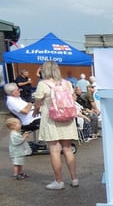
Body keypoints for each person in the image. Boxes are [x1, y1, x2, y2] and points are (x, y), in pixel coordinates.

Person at [32, 61, 79, 190]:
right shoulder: (67, 83)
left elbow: (37, 102)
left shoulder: (43, 84)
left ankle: (59, 181)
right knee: (68, 149)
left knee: (54, 150)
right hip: (67, 118)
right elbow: (73, 98)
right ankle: (74, 179)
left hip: (51, 118)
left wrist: (36, 110)